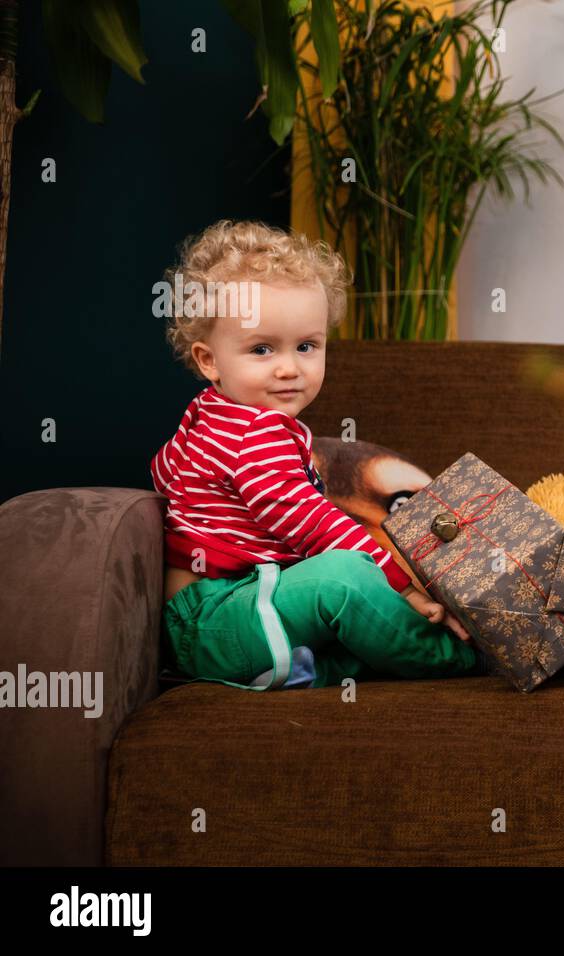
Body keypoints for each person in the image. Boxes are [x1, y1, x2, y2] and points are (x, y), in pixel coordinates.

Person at [149, 220, 491, 690]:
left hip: (225, 617)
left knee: (341, 599)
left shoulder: (208, 415)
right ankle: (463, 658)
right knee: (343, 576)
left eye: (307, 346)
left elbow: (166, 473)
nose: (290, 367)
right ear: (209, 360)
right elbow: (310, 523)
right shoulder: (256, 431)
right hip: (218, 617)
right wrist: (405, 586)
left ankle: (308, 671)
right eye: (262, 349)